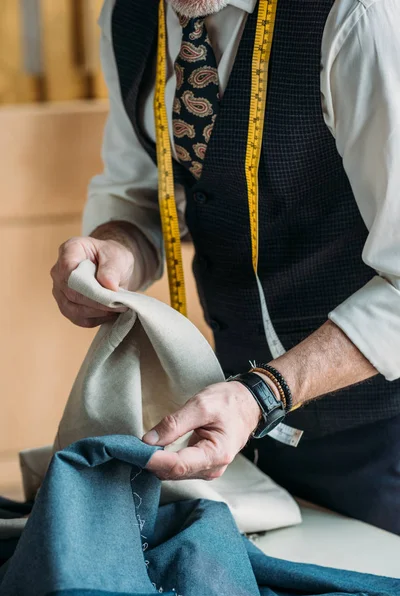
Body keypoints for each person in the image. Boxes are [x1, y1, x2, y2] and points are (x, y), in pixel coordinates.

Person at [51, 0, 400, 534]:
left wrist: (265, 392)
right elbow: (144, 191)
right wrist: (115, 247)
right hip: (240, 421)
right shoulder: (131, 15)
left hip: (380, 430)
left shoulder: (358, 19)